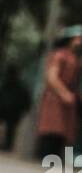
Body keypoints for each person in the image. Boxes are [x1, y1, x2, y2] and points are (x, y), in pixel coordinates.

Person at [35, 27, 81, 162]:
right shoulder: (59, 55)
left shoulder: (74, 58)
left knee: (63, 133)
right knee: (52, 131)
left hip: (68, 100)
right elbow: (52, 77)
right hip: (55, 99)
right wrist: (64, 93)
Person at [0, 63, 30, 152]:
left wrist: (22, 111)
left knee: (11, 125)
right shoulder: (1, 85)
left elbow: (26, 102)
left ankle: (7, 145)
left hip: (14, 112)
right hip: (1, 110)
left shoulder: (21, 88)